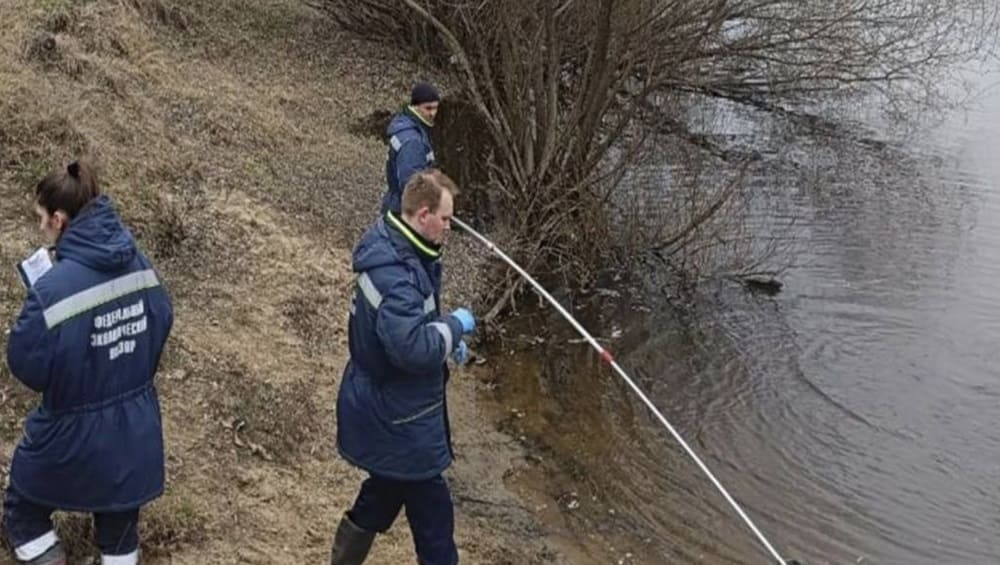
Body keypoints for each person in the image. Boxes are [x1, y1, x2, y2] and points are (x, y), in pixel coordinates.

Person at [4, 161, 174, 565]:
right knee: (120, 527)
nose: (41, 227)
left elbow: (26, 366)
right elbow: (161, 318)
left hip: (69, 434)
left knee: (23, 510)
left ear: (59, 220)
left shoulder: (53, 289)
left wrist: (43, 300)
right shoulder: (139, 263)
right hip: (135, 433)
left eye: (41, 218)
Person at [332, 169, 475, 565]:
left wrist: (445, 340)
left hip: (388, 408)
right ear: (423, 214)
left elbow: (408, 326)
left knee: (384, 491)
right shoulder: (398, 276)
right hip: (402, 415)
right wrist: (454, 327)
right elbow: (411, 349)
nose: (449, 227)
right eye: (445, 219)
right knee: (434, 520)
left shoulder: (396, 248)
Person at [381, 81, 441, 215]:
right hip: (403, 211)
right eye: (428, 108)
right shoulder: (413, 142)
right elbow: (411, 186)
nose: (433, 113)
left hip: (394, 202)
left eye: (435, 108)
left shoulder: (403, 125)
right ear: (416, 107)